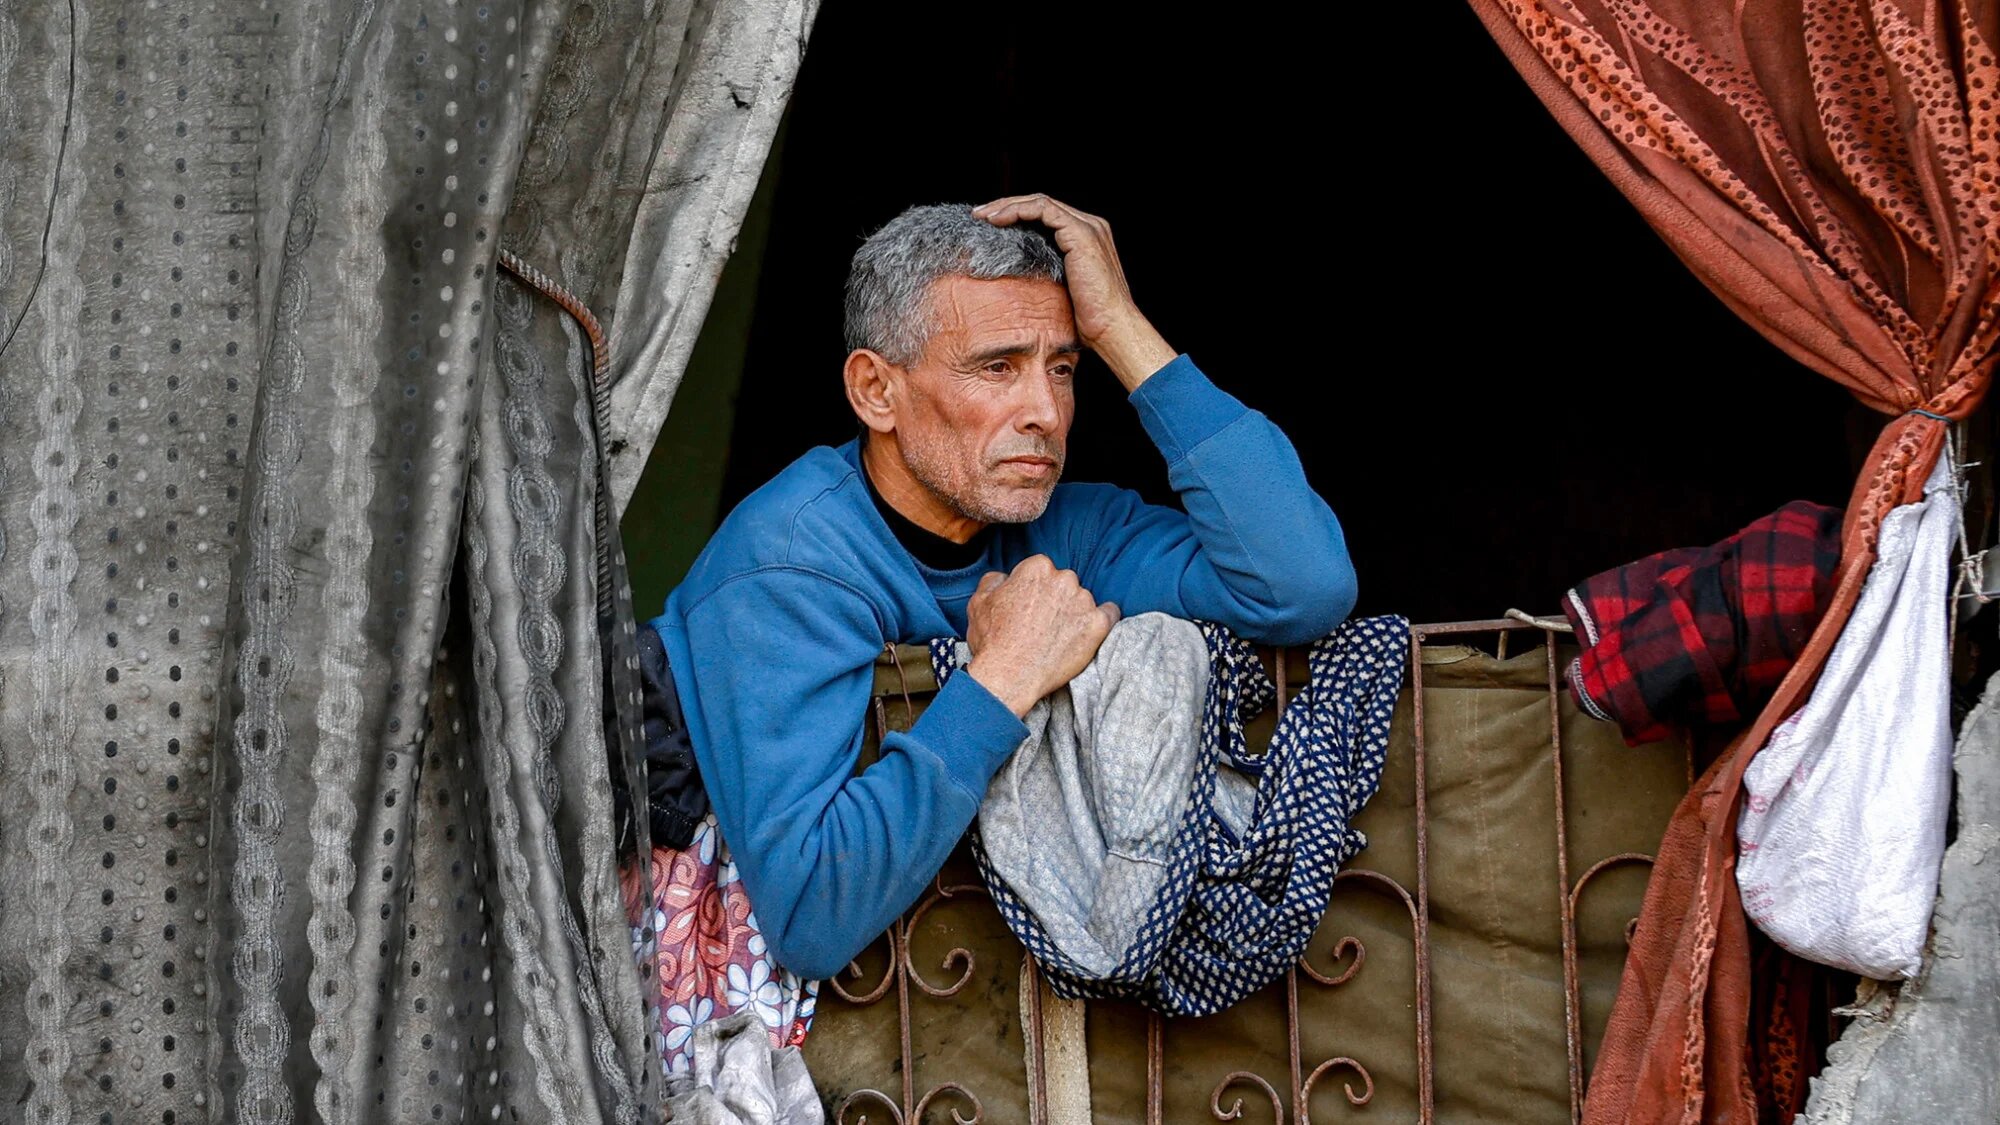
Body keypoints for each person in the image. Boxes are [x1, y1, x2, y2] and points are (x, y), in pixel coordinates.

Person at [650, 194, 1357, 980]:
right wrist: (1005, 674)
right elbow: (811, 915)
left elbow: (1302, 585)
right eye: (997, 367)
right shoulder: (789, 560)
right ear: (877, 391)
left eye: (1063, 368)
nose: (1046, 412)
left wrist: (1119, 326)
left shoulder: (1074, 531)